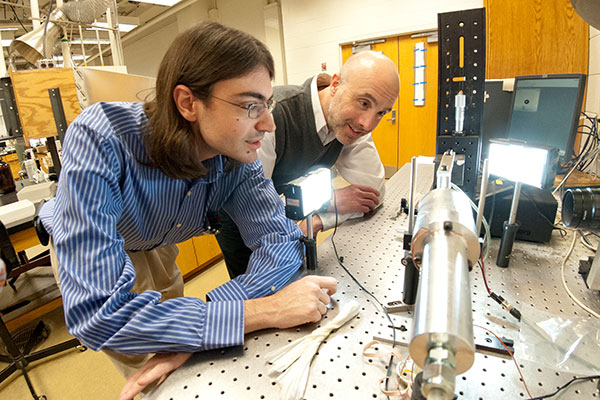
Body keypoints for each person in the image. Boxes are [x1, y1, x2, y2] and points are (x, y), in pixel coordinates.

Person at [38, 21, 337, 397]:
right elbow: (100, 313)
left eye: (268, 104)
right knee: (153, 368)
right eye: (249, 106)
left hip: (156, 239)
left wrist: (206, 321)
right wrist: (262, 311)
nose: (269, 124)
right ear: (187, 102)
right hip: (94, 239)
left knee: (181, 338)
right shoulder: (101, 138)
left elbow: (280, 242)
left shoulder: (237, 154)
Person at [216, 50, 400, 278]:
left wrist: (319, 219)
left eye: (381, 112)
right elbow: (254, 209)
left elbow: (372, 193)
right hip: (239, 217)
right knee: (256, 289)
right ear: (335, 84)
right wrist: (328, 203)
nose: (368, 123)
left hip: (286, 210)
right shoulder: (273, 115)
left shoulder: (352, 125)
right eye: (363, 103)